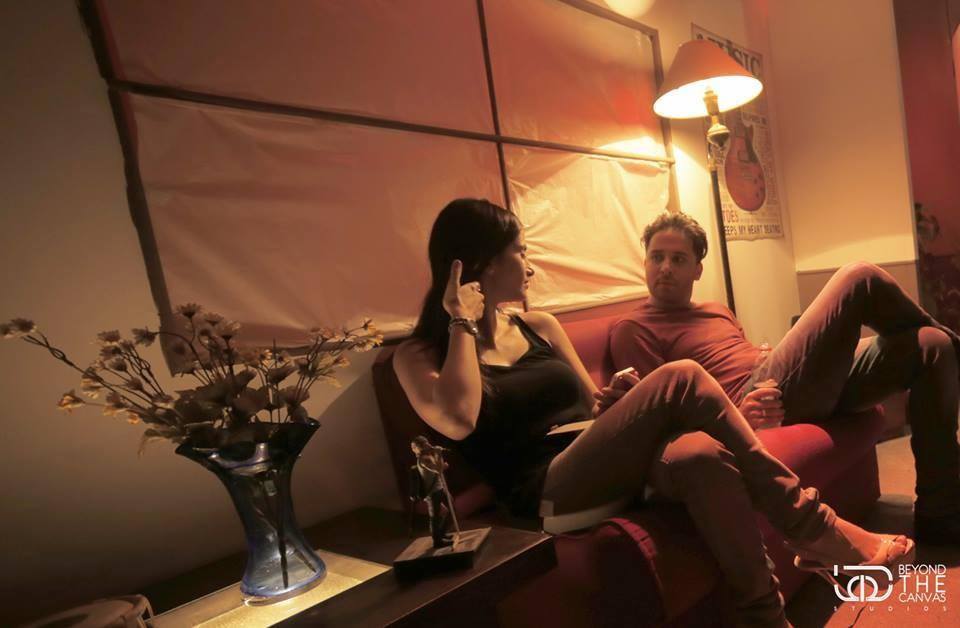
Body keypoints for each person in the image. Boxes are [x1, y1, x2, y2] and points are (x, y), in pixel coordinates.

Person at [394, 198, 913, 627]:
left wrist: (616, 399)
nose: (529, 266)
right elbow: (460, 417)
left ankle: (764, 617)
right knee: (682, 374)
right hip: (548, 491)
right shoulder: (416, 355)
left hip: (602, 457)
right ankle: (812, 525)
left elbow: (593, 406)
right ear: (484, 263)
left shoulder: (540, 326)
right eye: (520, 252)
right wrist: (461, 324)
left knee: (700, 455)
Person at [610, 211, 960, 545]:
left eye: (678, 259)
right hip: (760, 403)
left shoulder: (716, 311)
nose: (665, 267)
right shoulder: (634, 328)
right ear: (645, 263)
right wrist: (737, 415)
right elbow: (660, 417)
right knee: (859, 277)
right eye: (657, 257)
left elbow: (739, 362)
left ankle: (938, 513)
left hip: (777, 381)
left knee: (932, 345)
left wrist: (765, 356)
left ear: (697, 270)